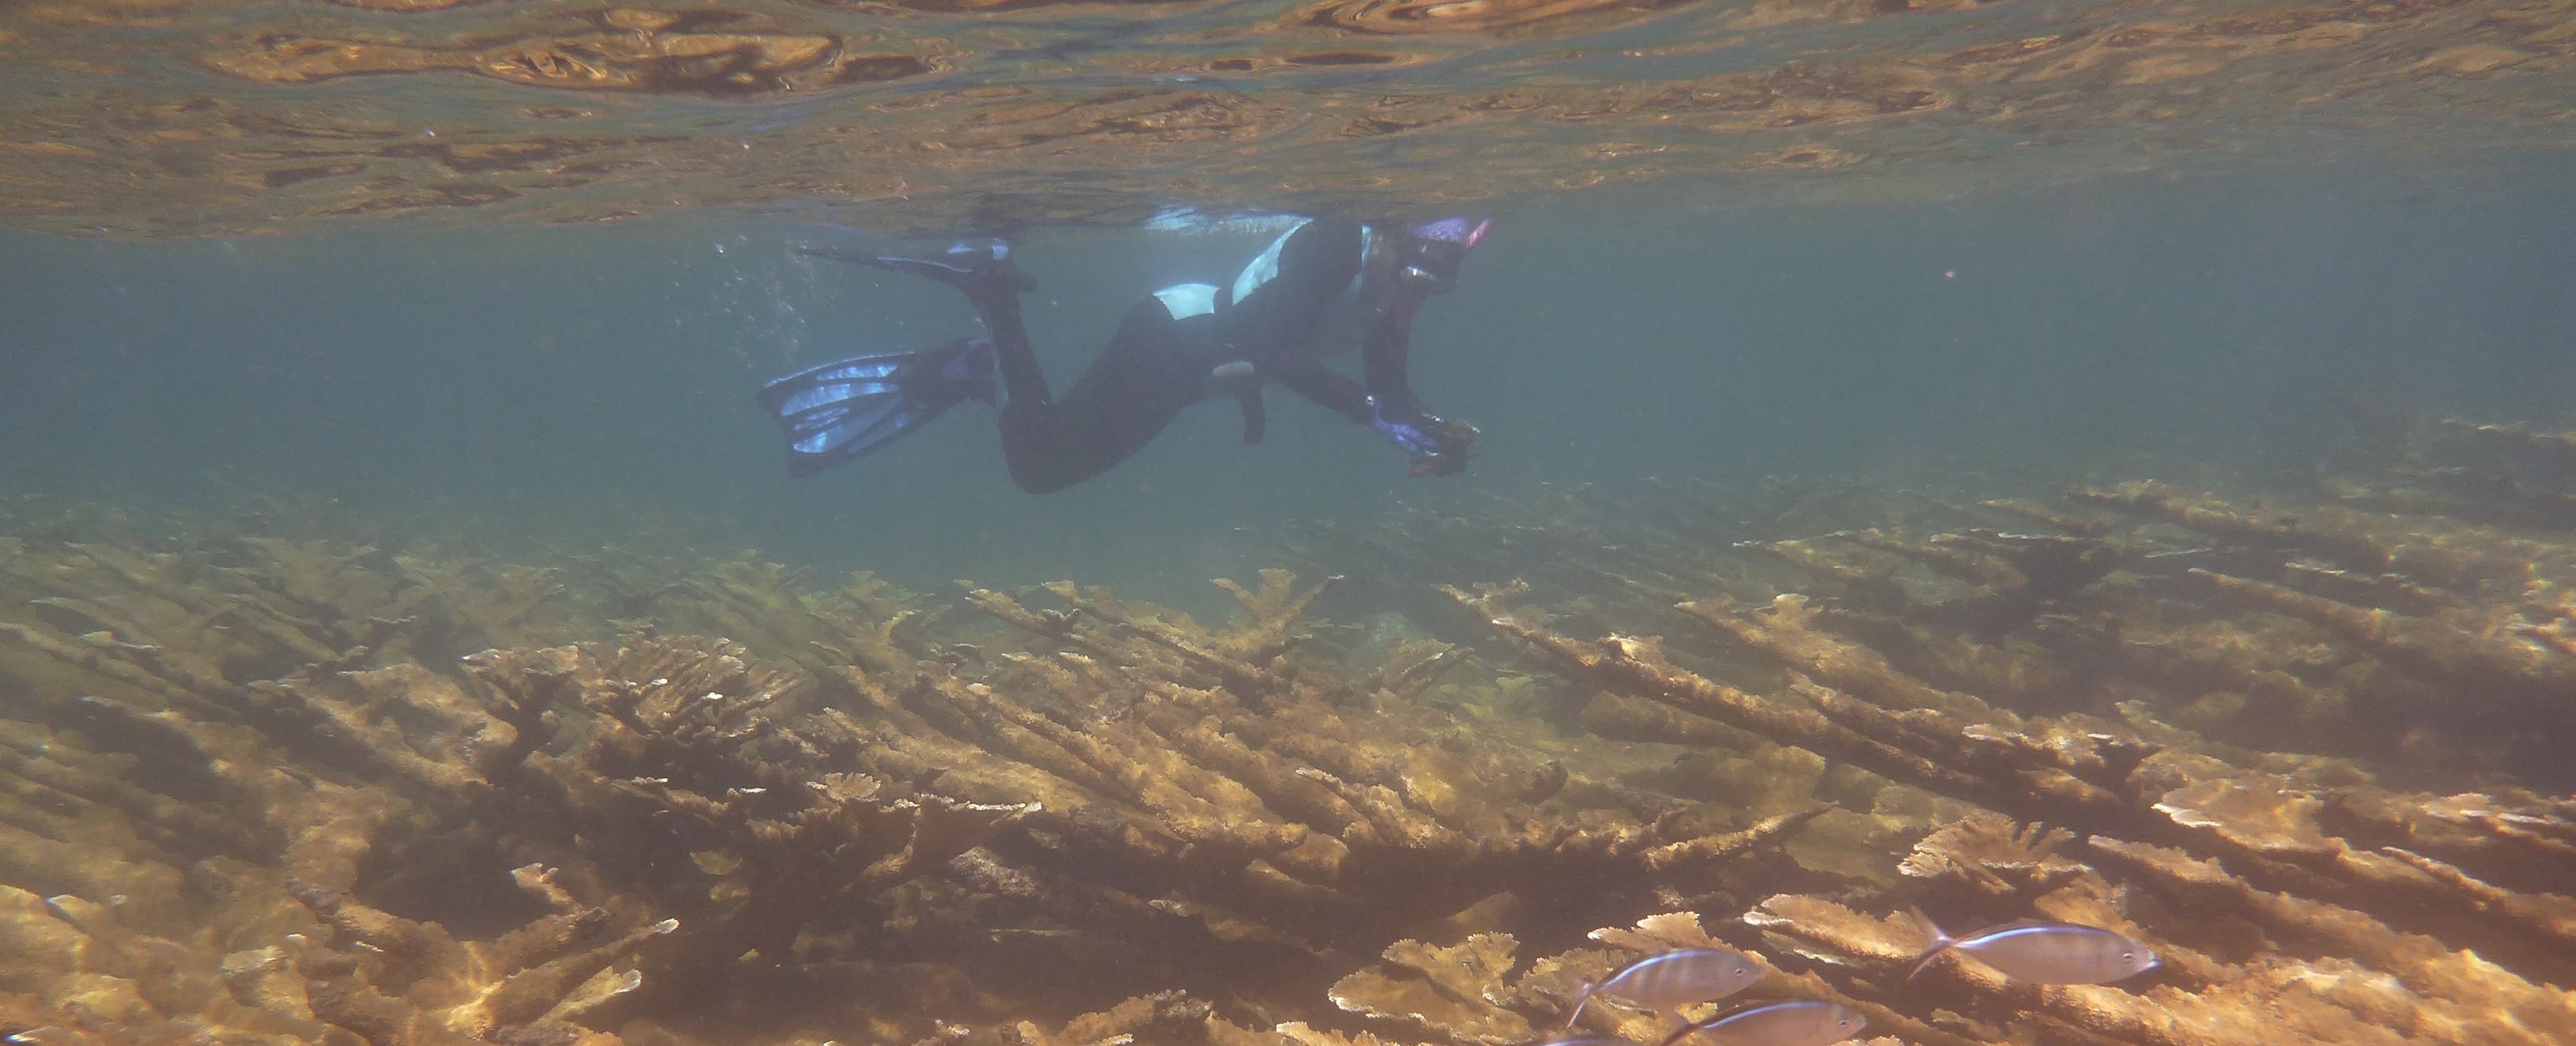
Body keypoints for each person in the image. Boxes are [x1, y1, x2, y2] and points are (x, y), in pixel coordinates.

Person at [757, 216, 1489, 494]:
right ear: (1392, 236)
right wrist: (1371, 414)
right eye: (1417, 276)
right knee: (1044, 466)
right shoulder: (1337, 244)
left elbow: (1386, 389)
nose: (1415, 298)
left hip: (1198, 360)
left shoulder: (1394, 292)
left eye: (1436, 289)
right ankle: (992, 305)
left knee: (1046, 460)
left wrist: (1430, 430)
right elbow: (1276, 348)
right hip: (1174, 335)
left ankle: (983, 358)